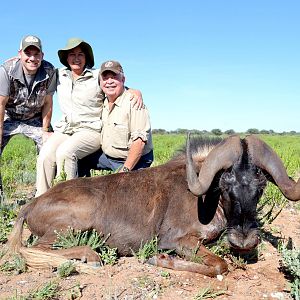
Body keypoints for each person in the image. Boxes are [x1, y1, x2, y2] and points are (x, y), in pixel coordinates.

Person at [36, 39, 144, 196]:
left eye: (80, 54)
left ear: (87, 58)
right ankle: (40, 201)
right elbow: (45, 91)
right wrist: (45, 129)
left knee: (65, 153)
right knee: (45, 156)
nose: (76, 58)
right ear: (66, 58)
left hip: (90, 130)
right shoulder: (59, 75)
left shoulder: (96, 76)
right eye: (72, 54)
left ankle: (68, 203)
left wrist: (135, 91)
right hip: (66, 129)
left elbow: (116, 85)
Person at [0, 35, 56, 197]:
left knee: (50, 147)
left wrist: (45, 131)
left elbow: (48, 103)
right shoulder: (6, 70)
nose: (32, 58)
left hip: (35, 119)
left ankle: (45, 193)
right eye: (28, 53)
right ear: (20, 54)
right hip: (9, 117)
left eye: (36, 54)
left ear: (42, 56)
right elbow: (1, 105)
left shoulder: (49, 71)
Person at [78, 60, 153, 176]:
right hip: (108, 157)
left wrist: (124, 172)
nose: (109, 82)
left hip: (134, 161)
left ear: (123, 80)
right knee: (80, 158)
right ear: (100, 82)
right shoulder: (102, 101)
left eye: (114, 77)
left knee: (126, 190)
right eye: (105, 78)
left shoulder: (134, 102)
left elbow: (139, 142)